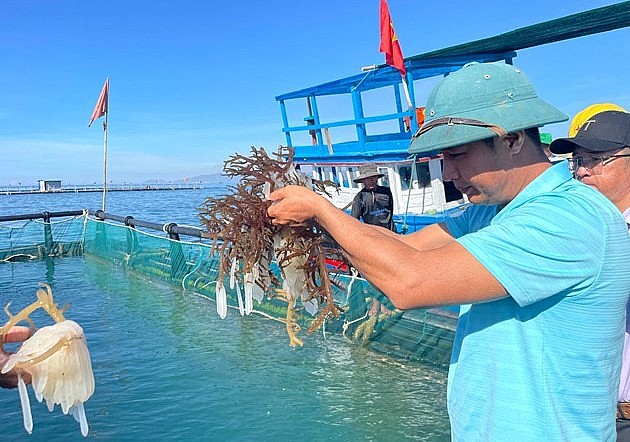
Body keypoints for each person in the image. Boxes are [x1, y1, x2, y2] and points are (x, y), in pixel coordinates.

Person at [268, 61, 630, 440]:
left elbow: (410, 282)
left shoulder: (568, 217)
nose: (448, 174)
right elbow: (405, 247)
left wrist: (322, 210)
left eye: (457, 155)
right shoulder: (491, 211)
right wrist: (317, 224)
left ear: (512, 139)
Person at [550, 108, 630, 439]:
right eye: (577, 160)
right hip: (590, 413)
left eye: (595, 159)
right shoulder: (593, 230)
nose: (582, 172)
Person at [350, 163, 397, 232]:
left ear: (377, 178)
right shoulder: (359, 197)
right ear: (363, 180)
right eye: (367, 178)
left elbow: (391, 209)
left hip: (391, 232)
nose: (371, 180)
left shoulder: (386, 191)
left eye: (373, 177)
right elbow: (354, 220)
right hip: (374, 235)